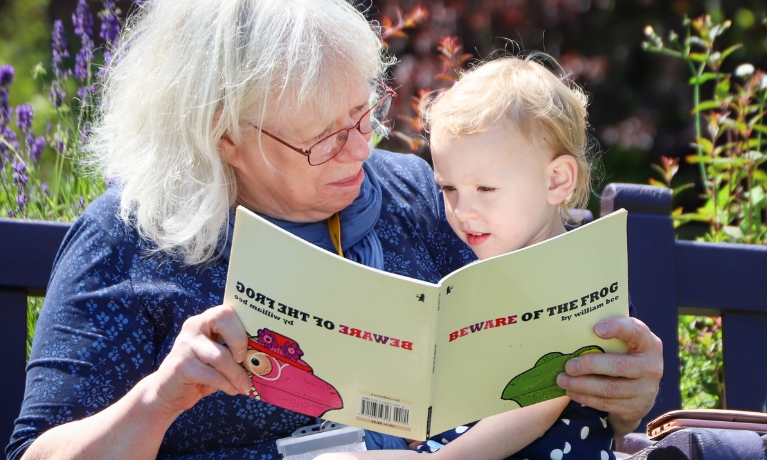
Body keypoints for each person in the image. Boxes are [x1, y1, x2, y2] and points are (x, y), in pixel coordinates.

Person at [6, 1, 662, 459]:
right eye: (323, 138)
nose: (358, 149)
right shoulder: (131, 239)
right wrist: (157, 398)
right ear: (224, 136)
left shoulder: (422, 198)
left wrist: (616, 390)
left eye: (362, 114)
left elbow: (546, 331)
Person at [316, 54, 657, 460]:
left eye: (486, 189)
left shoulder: (568, 278)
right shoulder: (489, 276)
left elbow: (538, 401)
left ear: (557, 180)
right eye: (448, 188)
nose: (464, 211)